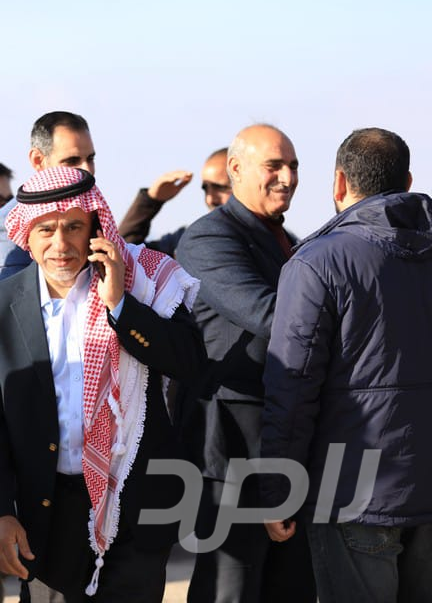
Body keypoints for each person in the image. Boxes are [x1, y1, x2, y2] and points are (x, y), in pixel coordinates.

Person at [0, 166, 204, 603]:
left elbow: (190, 363)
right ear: (26, 236)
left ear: (95, 229)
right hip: (46, 516)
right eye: (46, 230)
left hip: (135, 510)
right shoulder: (4, 305)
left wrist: (121, 306)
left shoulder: (141, 282)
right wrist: (1, 511)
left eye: (73, 227)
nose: (60, 244)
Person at [261, 127, 432, 603]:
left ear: (339, 182)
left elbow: (292, 387)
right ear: (408, 182)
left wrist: (278, 488)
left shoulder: (319, 262)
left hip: (354, 493)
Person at [176, 124, 316, 603]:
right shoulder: (208, 239)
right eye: (273, 165)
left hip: (288, 444)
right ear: (235, 169)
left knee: (292, 589)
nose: (287, 177)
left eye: (293, 166)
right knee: (229, 590)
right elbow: (273, 317)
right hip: (230, 452)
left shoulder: (289, 241)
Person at [0, 111, 96, 280]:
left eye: (90, 159)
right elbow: (15, 293)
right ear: (38, 160)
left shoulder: (94, 211)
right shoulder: (12, 224)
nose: (87, 170)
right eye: (72, 161)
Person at [118, 148, 231, 255]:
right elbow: (127, 253)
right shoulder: (188, 240)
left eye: (221, 188)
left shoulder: (242, 238)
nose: (210, 199)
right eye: (205, 189)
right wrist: (151, 200)